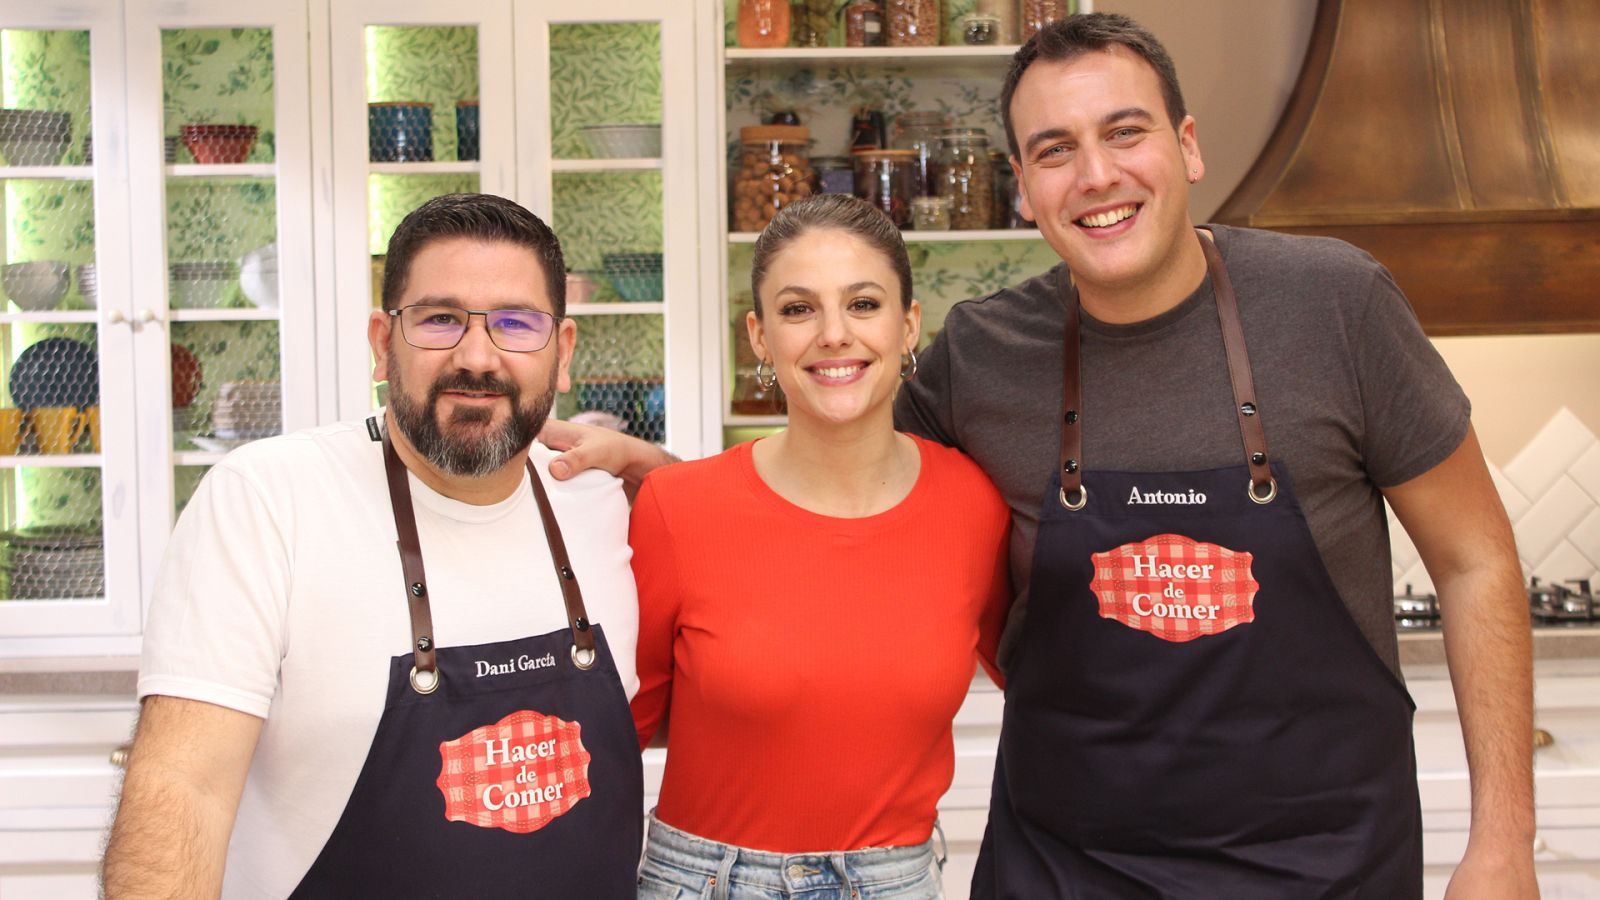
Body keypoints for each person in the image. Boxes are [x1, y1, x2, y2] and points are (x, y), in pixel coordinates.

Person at [543, 14, 1537, 899]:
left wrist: (1504, 844)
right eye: (1054, 150)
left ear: (1186, 146)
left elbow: (1475, 560)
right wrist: (661, 472)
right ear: (1024, 187)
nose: (1095, 175)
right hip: (1067, 866)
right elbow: (837, 480)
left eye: (1124, 132)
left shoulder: (1334, 305)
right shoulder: (984, 351)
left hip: (1320, 863)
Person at [101, 193, 644, 898]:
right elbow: (182, 791)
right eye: (440, 319)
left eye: (516, 322)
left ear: (562, 352)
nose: (476, 357)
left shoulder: (599, 499)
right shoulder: (270, 499)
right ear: (382, 344)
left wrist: (660, 468)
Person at [628, 194, 1011, 899]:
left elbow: (1053, 689)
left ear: (909, 325)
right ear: (759, 336)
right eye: (799, 309)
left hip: (897, 881)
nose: (834, 334)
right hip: (708, 883)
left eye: (864, 304)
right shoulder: (675, 508)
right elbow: (619, 736)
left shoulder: (976, 505)